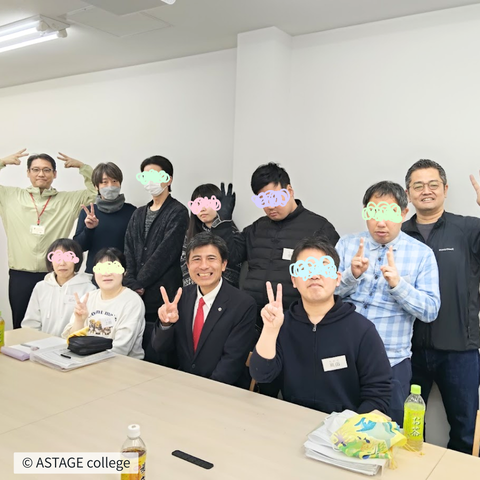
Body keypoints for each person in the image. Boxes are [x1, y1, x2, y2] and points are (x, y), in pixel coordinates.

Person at [335, 180, 440, 426]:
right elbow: (324, 295)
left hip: (391, 362)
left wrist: (398, 285)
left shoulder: (422, 254)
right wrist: (351, 276)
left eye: (390, 213)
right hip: (342, 355)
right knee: (336, 429)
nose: (381, 222)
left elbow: (431, 310)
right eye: (373, 213)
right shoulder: (347, 245)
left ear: (403, 213)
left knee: (386, 434)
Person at [249, 237, 392, 414]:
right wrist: (270, 330)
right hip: (292, 419)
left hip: (344, 427)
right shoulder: (282, 324)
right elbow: (261, 375)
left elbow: (379, 394)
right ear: (294, 280)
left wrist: (352, 427)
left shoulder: (362, 330)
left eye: (324, 267)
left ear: (337, 278)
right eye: (305, 268)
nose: (314, 275)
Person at [238, 162, 340, 397]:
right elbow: (229, 257)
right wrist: (219, 222)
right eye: (263, 200)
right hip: (257, 325)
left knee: (298, 391)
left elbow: (331, 277)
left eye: (274, 197)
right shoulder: (256, 229)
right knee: (260, 390)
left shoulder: (319, 227)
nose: (270, 206)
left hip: (298, 326)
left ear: (289, 191)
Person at [402, 159, 480, 454]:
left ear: (445, 189)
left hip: (460, 351)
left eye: (433, 184)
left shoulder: (469, 228)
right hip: (407, 350)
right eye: (418, 185)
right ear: (408, 193)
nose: (426, 191)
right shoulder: (397, 234)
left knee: (465, 430)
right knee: (407, 428)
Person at [0, 149, 97, 328]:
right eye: (35, 169)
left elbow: (96, 190)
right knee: (20, 326)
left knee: (54, 326)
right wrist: (2, 162)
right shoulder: (10, 196)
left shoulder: (68, 200)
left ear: (54, 174)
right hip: (21, 275)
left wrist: (82, 167)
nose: (41, 174)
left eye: (46, 170)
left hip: (54, 276)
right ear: (28, 173)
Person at [152, 232, 257, 387]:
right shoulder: (181, 297)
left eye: (211, 258)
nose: (203, 266)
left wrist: (204, 391)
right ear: (188, 266)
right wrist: (166, 324)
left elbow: (232, 362)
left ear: (224, 264)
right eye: (196, 259)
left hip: (220, 390)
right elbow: (160, 348)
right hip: (182, 384)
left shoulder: (243, 304)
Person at [124, 155, 189, 363]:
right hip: (135, 294)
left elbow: (166, 253)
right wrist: (131, 281)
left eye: (155, 175)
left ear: (168, 179)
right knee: (134, 350)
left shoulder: (178, 211)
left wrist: (139, 283)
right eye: (146, 176)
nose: (150, 180)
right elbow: (129, 248)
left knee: (158, 351)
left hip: (162, 293)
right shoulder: (138, 213)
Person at [62, 247, 145, 359]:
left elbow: (121, 348)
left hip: (121, 364)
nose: (106, 273)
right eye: (101, 268)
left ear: (124, 272)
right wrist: (79, 320)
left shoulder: (132, 302)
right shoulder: (88, 298)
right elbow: (70, 340)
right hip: (85, 360)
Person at [21, 238, 97, 336]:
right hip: (41, 343)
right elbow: (30, 324)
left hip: (73, 343)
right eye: (57, 257)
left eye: (68, 257)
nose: (62, 263)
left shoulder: (88, 289)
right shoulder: (41, 287)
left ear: (76, 261)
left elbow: (89, 325)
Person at [73, 162, 136, 274]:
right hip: (95, 273)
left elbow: (137, 247)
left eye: (114, 181)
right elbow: (79, 247)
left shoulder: (132, 211)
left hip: (123, 273)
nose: (110, 186)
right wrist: (89, 229)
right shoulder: (88, 212)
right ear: (96, 186)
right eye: (104, 182)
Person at [181, 183, 242, 287]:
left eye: (208, 203)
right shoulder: (189, 234)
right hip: (195, 290)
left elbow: (234, 266)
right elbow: (185, 265)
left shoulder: (231, 232)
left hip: (223, 291)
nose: (202, 209)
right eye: (198, 204)